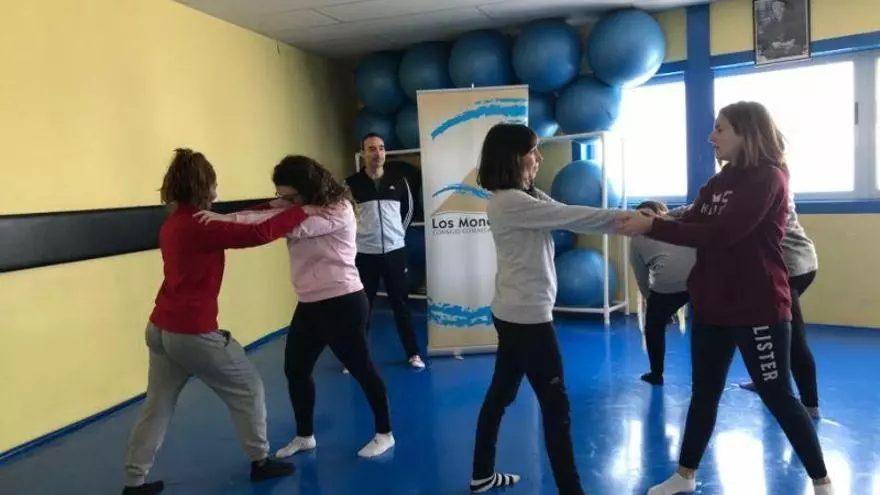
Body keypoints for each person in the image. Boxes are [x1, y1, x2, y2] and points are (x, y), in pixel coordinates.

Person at [616, 101, 834, 495]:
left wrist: (653, 227)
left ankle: (822, 482)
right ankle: (685, 476)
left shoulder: (769, 178)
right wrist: (648, 220)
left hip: (758, 306)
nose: (711, 137)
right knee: (704, 391)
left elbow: (721, 234)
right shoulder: (719, 182)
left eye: (720, 129)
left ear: (746, 132)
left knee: (778, 395)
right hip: (711, 303)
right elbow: (693, 219)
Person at [122, 149, 312, 495]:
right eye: (213, 180)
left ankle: (134, 482)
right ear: (203, 185)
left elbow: (234, 219)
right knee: (249, 388)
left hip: (160, 329)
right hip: (192, 334)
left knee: (157, 406)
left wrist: (273, 206)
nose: (216, 186)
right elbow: (258, 234)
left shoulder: (176, 223)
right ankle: (260, 461)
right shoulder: (201, 226)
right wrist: (301, 211)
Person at [195, 155, 396, 460]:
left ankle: (385, 433)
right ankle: (305, 436)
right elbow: (263, 211)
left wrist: (228, 220)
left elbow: (276, 226)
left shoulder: (337, 209)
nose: (285, 202)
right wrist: (225, 216)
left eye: (290, 196)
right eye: (282, 196)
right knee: (296, 369)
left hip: (342, 302)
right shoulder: (300, 206)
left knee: (362, 368)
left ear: (307, 188)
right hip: (309, 303)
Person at [469, 123, 626, 494]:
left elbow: (561, 209)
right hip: (527, 320)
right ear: (513, 158)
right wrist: (626, 221)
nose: (539, 157)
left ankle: (481, 474)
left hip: (512, 313)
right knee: (556, 409)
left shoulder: (525, 195)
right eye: (533, 151)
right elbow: (572, 217)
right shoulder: (511, 202)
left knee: (500, 395)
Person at [670, 194, 821, 417]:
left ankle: (809, 404)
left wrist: (659, 218)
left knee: (792, 337)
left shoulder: (763, 181)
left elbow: (709, 211)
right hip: (794, 262)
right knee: (767, 329)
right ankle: (764, 381)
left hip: (789, 267)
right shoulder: (754, 182)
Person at [346, 133, 425, 370]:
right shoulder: (350, 184)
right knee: (363, 307)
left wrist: (396, 235)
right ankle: (356, 358)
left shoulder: (398, 180)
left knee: (401, 306)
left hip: (394, 253)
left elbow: (408, 210)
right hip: (365, 255)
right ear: (363, 153)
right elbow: (346, 218)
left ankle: (413, 353)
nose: (378, 153)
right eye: (371, 149)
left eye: (381, 148)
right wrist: (359, 239)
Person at [629, 200, 695, 386]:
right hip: (698, 281)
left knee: (653, 327)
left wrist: (654, 305)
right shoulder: (679, 222)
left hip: (671, 286)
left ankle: (656, 374)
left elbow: (641, 278)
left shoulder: (637, 240)